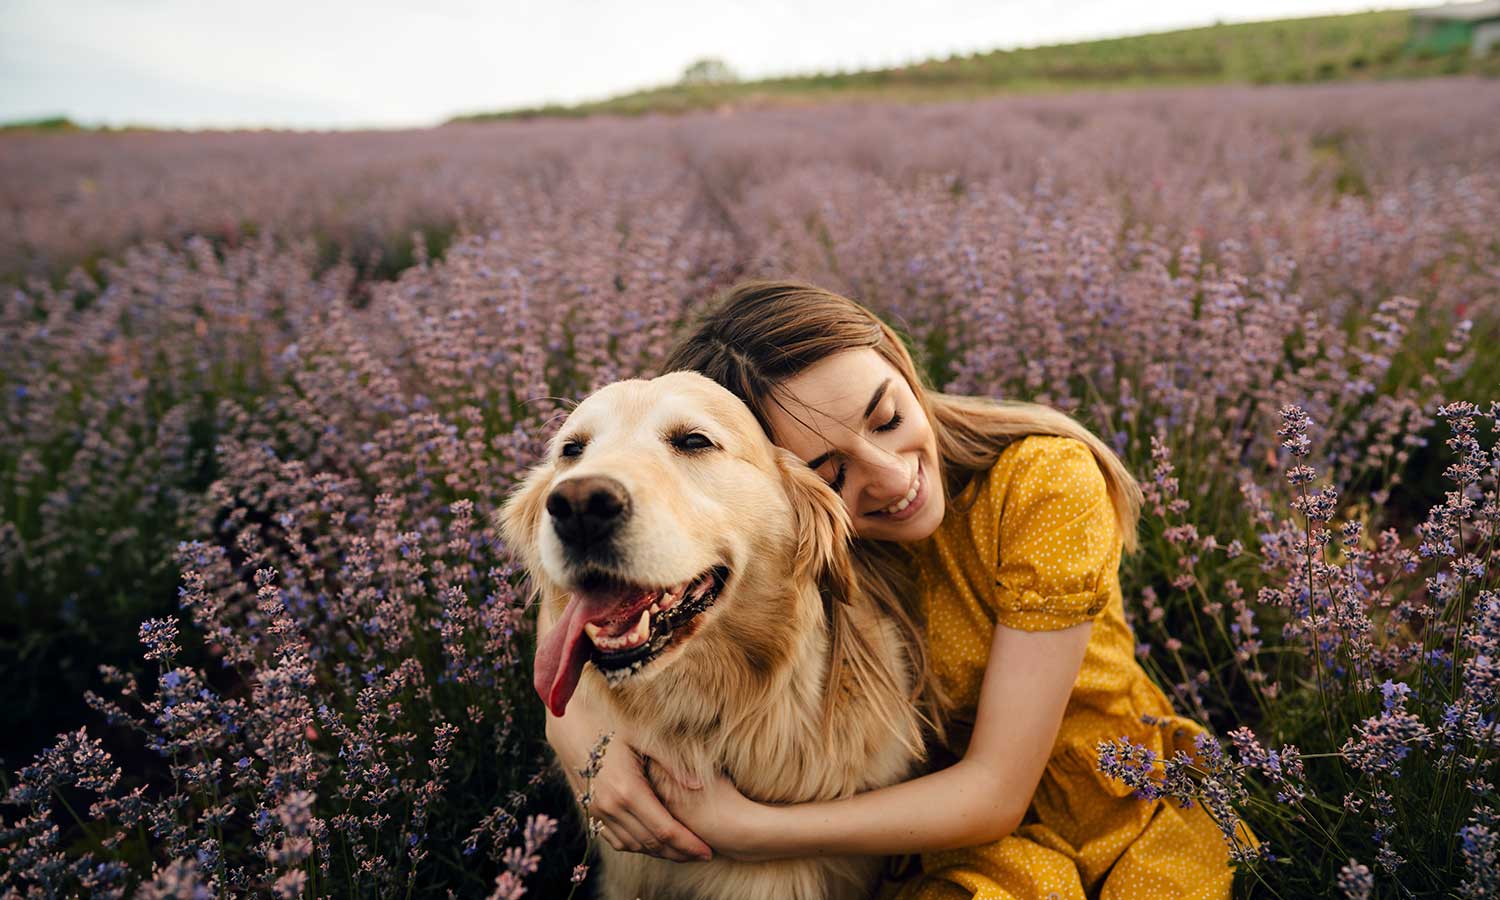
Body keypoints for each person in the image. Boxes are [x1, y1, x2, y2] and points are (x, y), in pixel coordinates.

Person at [541, 279, 1254, 898]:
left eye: (888, 417)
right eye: (830, 472)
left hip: (1107, 803)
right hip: (924, 830)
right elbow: (585, 598)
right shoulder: (805, 540)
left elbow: (997, 794)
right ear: (787, 497)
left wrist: (748, 831)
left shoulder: (1044, 483)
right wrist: (572, 729)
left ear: (902, 364)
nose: (888, 477)